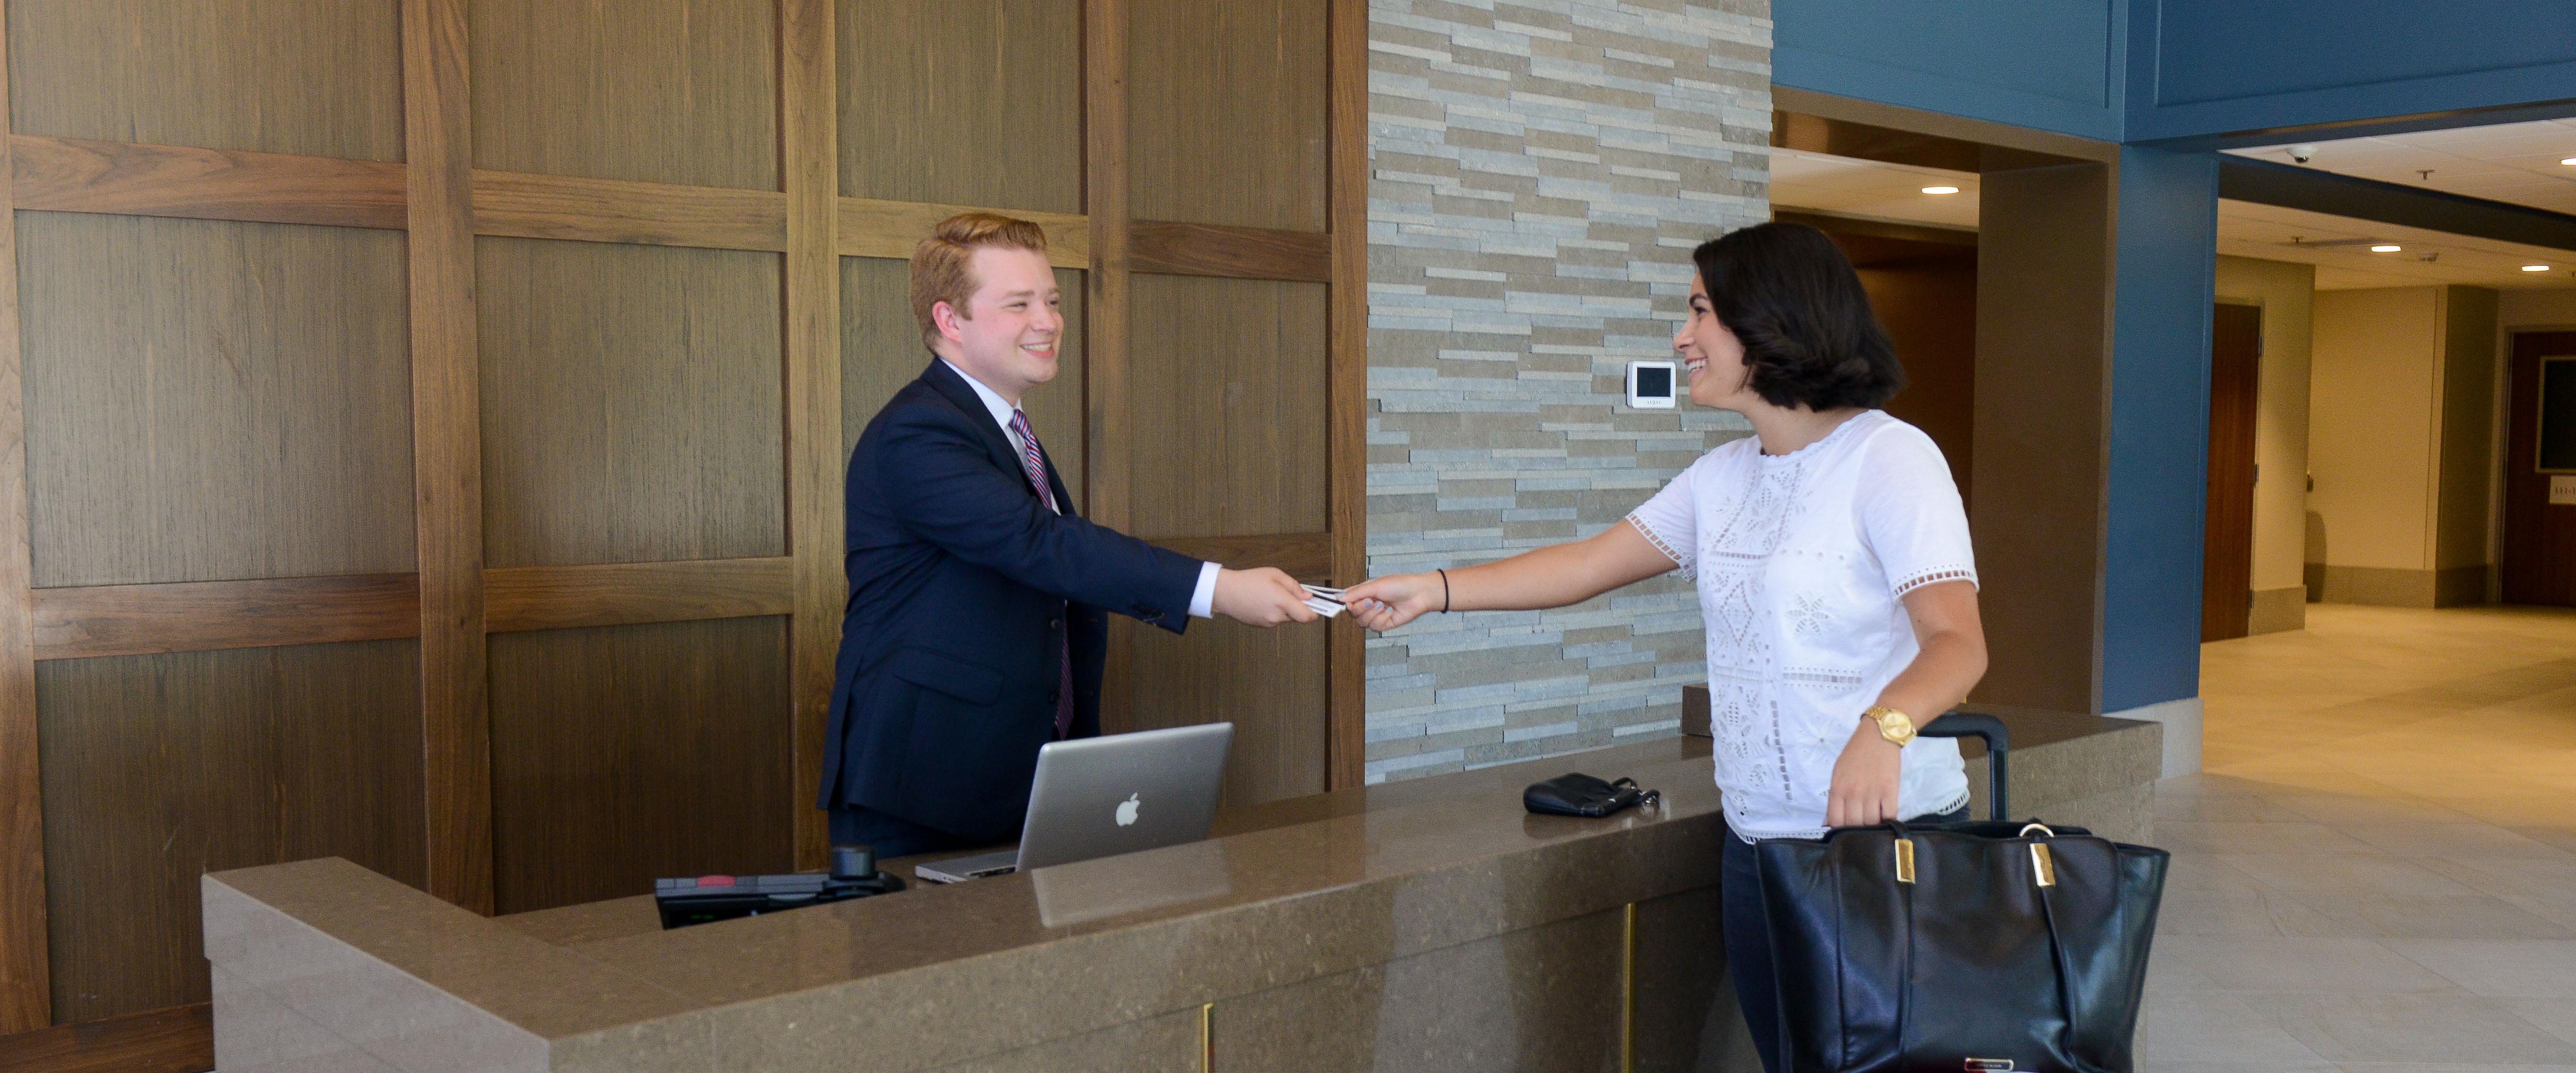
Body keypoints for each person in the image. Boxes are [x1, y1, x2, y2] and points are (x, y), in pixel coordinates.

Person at [1342, 221, 1987, 1073]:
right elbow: (1584, 565)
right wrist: (1435, 587)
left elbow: (1957, 644)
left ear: (1771, 317)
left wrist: (1886, 728)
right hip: (1758, 846)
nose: (1682, 336)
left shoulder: (1892, 459)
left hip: (1886, 843)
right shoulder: (1723, 476)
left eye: (1700, 311)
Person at [823, 212, 1317, 860]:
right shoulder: (918, 432)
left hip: (1015, 785)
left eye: (1052, 301)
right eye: (1019, 304)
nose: (1049, 322)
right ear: (950, 321)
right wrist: (1216, 589)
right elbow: (1044, 547)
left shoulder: (1001, 429)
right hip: (923, 790)